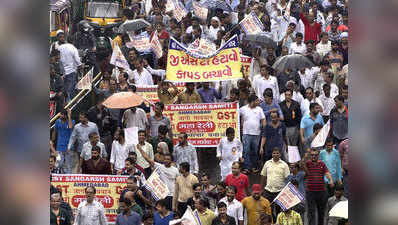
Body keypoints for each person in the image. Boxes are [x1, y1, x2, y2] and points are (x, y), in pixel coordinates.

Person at [301, 149, 334, 225]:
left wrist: (331, 180)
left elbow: (327, 173)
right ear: (310, 156)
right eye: (312, 155)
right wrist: (305, 157)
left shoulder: (322, 164)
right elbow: (301, 164)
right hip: (310, 192)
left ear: (318, 155)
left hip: (321, 192)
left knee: (321, 212)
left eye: (315, 155)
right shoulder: (308, 164)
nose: (314, 156)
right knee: (311, 213)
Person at [260, 147, 290, 221]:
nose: (275, 154)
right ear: (272, 154)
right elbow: (263, 176)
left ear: (280, 154)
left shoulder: (284, 165)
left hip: (279, 192)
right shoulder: (267, 163)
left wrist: (286, 192)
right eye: (274, 153)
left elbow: (288, 179)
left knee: (279, 211)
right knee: (267, 211)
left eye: (277, 153)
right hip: (268, 191)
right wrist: (261, 189)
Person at [239, 94, 266, 173]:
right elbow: (235, 113)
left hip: (256, 133)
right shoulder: (243, 109)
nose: (258, 102)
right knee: (246, 151)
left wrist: (264, 128)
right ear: (252, 101)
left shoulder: (259, 109)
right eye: (257, 100)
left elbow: (263, 119)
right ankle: (247, 167)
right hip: (246, 133)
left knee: (255, 151)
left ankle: (254, 166)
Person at [58, 37, 82, 102]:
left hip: (62, 73)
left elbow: (57, 57)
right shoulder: (73, 48)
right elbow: (77, 60)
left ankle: (65, 104)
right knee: (70, 90)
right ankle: (70, 106)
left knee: (64, 89)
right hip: (71, 72)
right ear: (74, 41)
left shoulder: (60, 47)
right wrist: (80, 67)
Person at [52, 109, 74, 173]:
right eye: (60, 114)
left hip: (69, 147)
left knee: (68, 165)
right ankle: (59, 177)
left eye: (62, 114)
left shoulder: (72, 121)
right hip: (59, 146)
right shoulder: (57, 122)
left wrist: (69, 116)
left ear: (65, 115)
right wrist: (52, 141)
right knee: (59, 164)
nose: (60, 116)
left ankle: (68, 181)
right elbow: (54, 131)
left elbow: (70, 127)